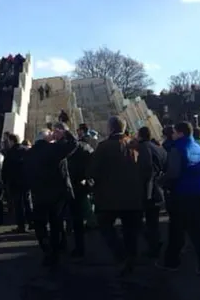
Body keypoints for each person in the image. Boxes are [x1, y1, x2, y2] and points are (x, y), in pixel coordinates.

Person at [89, 116, 144, 275]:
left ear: (111, 128)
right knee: (130, 230)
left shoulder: (104, 146)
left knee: (106, 227)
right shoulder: (135, 145)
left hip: (109, 197)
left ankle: (121, 255)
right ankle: (131, 257)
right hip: (133, 196)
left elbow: (94, 171)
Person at [158, 122, 200, 275]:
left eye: (174, 132)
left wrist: (161, 182)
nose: (173, 134)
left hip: (181, 195)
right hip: (199, 194)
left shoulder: (178, 149)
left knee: (176, 230)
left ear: (180, 133)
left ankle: (171, 262)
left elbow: (173, 173)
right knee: (199, 231)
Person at [24, 124, 77, 269]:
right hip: (56, 194)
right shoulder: (52, 150)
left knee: (40, 224)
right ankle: (55, 251)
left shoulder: (29, 153)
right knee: (55, 223)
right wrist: (65, 133)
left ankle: (45, 247)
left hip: (38, 194)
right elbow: (73, 144)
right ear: (48, 137)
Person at [137, 126, 167, 258]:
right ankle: (155, 242)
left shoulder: (144, 148)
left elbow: (147, 170)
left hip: (148, 189)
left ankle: (153, 245)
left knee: (143, 220)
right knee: (153, 220)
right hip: (159, 188)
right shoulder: (159, 148)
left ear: (140, 135)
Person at [66, 131, 94, 258]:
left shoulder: (66, 151)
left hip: (71, 186)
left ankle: (76, 247)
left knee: (73, 218)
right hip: (82, 186)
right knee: (79, 217)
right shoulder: (86, 148)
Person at [2, 134, 31, 233]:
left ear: (12, 141)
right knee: (27, 202)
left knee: (18, 205)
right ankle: (32, 223)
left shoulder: (10, 152)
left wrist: (4, 181)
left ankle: (21, 225)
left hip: (14, 182)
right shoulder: (26, 151)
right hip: (26, 180)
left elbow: (5, 169)